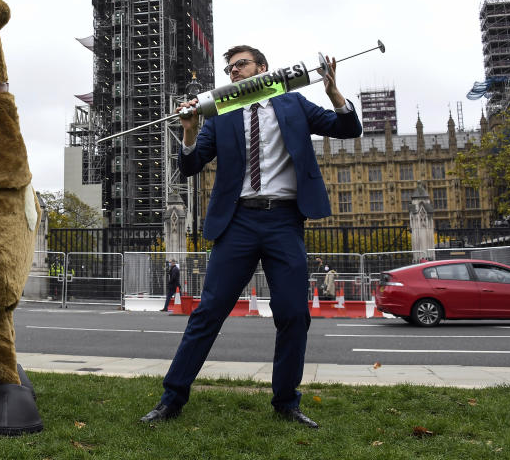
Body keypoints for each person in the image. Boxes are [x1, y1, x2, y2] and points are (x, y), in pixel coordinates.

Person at [140, 45, 361, 429]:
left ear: (263, 68)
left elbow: (347, 128)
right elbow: (191, 165)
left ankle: (286, 403)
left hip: (284, 221)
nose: (233, 72)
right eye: (229, 68)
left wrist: (332, 91)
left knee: (294, 315)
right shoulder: (220, 115)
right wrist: (189, 130)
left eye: (240, 64)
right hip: (238, 222)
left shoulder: (293, 103)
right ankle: (171, 399)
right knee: (208, 313)